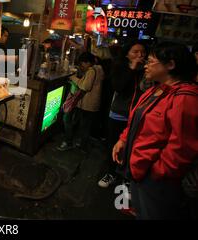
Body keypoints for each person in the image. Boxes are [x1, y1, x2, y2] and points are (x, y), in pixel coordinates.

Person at [112, 42, 198, 219]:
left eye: (151, 61)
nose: (146, 65)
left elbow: (182, 147)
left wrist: (155, 172)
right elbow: (135, 120)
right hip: (138, 169)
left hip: (155, 178)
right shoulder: (157, 90)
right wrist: (123, 140)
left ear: (171, 65)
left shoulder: (185, 98)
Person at [98, 41, 148, 188]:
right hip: (119, 114)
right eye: (136, 52)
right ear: (127, 54)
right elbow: (118, 87)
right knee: (113, 145)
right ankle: (111, 173)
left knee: (132, 148)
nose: (140, 55)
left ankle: (127, 177)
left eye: (143, 53)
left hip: (138, 117)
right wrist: (132, 68)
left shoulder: (147, 71)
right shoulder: (120, 67)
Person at [58, 52, 105, 151]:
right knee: (84, 126)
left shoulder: (91, 71)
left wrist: (73, 78)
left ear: (88, 62)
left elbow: (85, 86)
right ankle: (81, 145)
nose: (82, 66)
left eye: (82, 63)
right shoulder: (99, 68)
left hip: (87, 104)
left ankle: (76, 145)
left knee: (81, 125)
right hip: (93, 104)